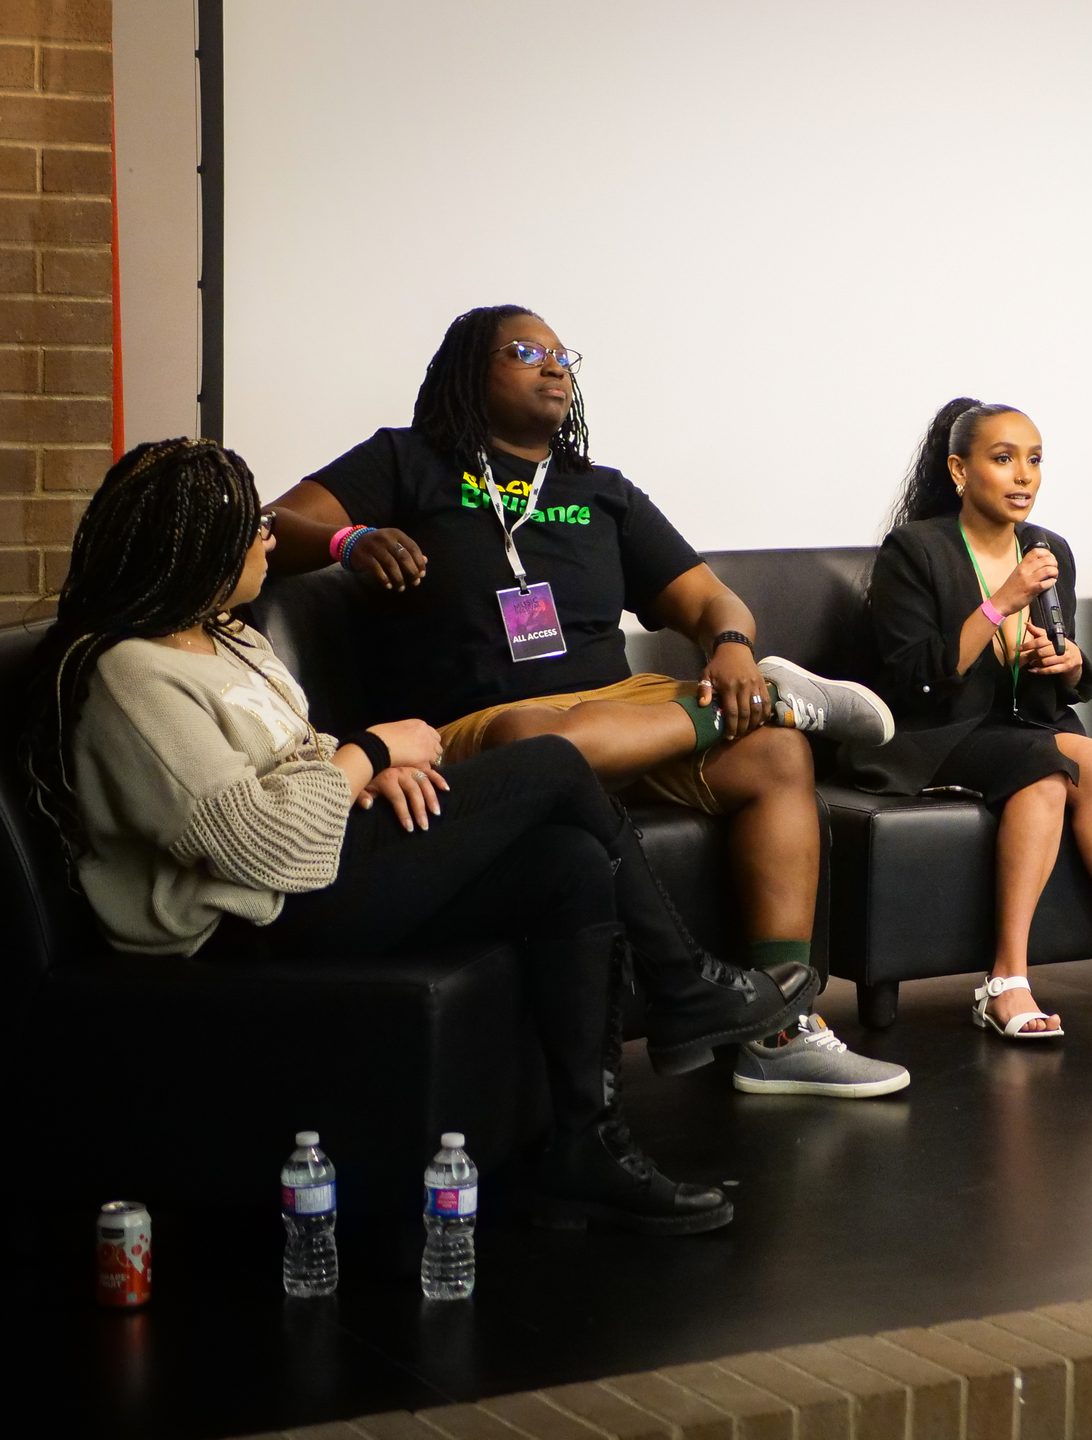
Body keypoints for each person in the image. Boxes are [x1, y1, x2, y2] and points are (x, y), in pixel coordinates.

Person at [21, 439, 818, 1232]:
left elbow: (295, 760)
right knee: (550, 765)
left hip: (321, 865)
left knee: (567, 863)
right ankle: (680, 983)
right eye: (245, 526)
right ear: (189, 549)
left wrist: (363, 772)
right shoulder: (132, 676)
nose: (267, 534)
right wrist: (368, 754)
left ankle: (586, 1143)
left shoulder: (228, 638)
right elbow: (267, 847)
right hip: (250, 921)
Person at [266, 305, 908, 1098]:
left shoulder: (603, 492)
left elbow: (714, 601)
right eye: (525, 351)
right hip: (478, 723)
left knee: (777, 752)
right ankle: (780, 701)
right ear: (470, 370)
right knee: (545, 739)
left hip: (624, 703)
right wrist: (346, 540)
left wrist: (734, 650)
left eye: (562, 353)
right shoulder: (407, 462)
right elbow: (272, 525)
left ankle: (777, 1029)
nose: (554, 365)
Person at [850, 398, 1092, 1037]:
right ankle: (1005, 981)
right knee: (1045, 769)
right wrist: (1003, 601)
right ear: (960, 472)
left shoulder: (1051, 549)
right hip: (936, 733)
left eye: (1035, 460)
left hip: (1022, 724)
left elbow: (1067, 685)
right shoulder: (914, 551)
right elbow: (917, 681)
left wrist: (1064, 661)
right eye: (1003, 459)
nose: (1024, 476)